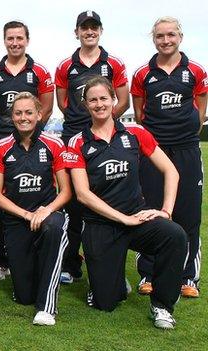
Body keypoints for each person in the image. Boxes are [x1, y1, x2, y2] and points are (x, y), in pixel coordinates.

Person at [65, 76, 187, 330]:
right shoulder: (77, 142)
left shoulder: (135, 133)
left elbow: (171, 171)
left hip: (137, 218)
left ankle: (162, 306)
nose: (99, 104)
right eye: (92, 100)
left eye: (103, 98)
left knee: (174, 236)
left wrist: (165, 211)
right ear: (85, 105)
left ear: (114, 99)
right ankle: (115, 282)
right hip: (100, 224)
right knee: (105, 302)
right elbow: (83, 194)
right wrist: (123, 219)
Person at [131, 16, 207, 298]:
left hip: (186, 149)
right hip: (154, 152)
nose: (166, 40)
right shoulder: (142, 74)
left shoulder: (195, 71)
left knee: (188, 213)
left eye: (171, 35)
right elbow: (140, 114)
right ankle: (148, 274)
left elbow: (199, 110)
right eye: (160, 36)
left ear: (180, 37)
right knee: (149, 211)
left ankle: (189, 277)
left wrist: (185, 132)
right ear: (154, 39)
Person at [55, 11, 129, 284]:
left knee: (109, 196)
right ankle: (71, 264)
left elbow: (123, 101)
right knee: (73, 202)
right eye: (84, 28)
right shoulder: (66, 66)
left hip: (105, 138)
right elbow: (63, 103)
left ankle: (114, 266)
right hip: (75, 137)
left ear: (100, 30)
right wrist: (82, 124)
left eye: (93, 27)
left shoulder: (114, 63)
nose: (89, 32)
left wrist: (102, 121)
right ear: (76, 32)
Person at [0, 21, 54, 281]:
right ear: (4, 41)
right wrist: (6, 128)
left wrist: (28, 128)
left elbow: (46, 107)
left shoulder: (40, 72)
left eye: (19, 38)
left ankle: (33, 252)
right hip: (2, 139)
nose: (15, 43)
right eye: (10, 38)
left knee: (33, 193)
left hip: (33, 141)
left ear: (27, 40)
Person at [0, 92, 70, 326]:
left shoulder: (54, 143)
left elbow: (65, 191)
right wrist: (26, 214)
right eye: (18, 113)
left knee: (54, 228)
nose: (24, 118)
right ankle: (37, 283)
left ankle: (47, 308)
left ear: (39, 115)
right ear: (11, 117)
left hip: (48, 216)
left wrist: (46, 211)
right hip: (17, 220)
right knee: (24, 296)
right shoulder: (0, 147)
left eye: (29, 113)